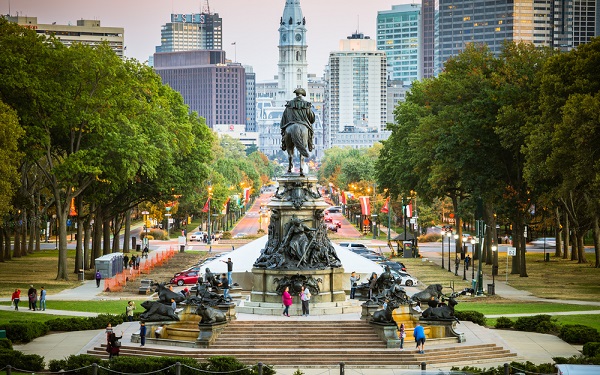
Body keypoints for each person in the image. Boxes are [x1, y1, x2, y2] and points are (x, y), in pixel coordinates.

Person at [280, 88, 315, 152]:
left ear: (296, 94)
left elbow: (284, 117)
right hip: (304, 123)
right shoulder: (306, 104)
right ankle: (311, 144)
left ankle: (284, 143)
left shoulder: (289, 104)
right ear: (302, 95)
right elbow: (311, 118)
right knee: (311, 132)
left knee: (284, 132)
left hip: (290, 123)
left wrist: (283, 127)